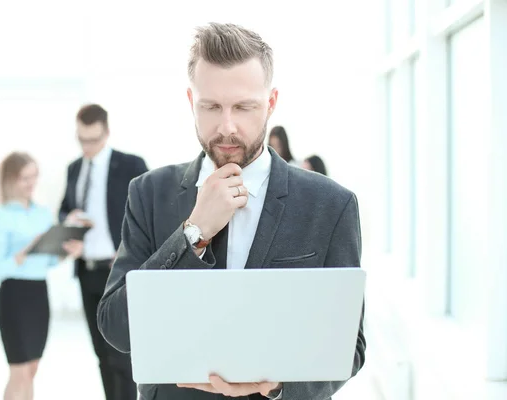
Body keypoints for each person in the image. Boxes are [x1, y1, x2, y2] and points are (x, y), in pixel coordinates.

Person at [97, 22, 366, 400]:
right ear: (191, 101)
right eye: (211, 107)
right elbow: (116, 328)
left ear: (270, 103)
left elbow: (348, 350)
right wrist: (193, 233)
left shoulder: (331, 205)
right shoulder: (147, 193)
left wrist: (277, 384)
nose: (227, 127)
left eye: (244, 107)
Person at [58, 104, 148, 400]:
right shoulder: (74, 169)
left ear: (106, 133)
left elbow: (148, 214)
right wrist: (68, 224)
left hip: (117, 272)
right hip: (86, 271)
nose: (87, 147)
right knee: (100, 355)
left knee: (121, 355)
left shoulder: (131, 165)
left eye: (93, 140)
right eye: (81, 139)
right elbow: (63, 210)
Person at [0, 152, 82, 400]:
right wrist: (21, 254)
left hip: (39, 295)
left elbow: (47, 261)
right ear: (9, 180)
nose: (30, 183)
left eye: (33, 177)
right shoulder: (0, 216)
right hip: (13, 297)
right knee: (19, 371)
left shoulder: (41, 213)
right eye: (24, 178)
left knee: (32, 369)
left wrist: (66, 254)